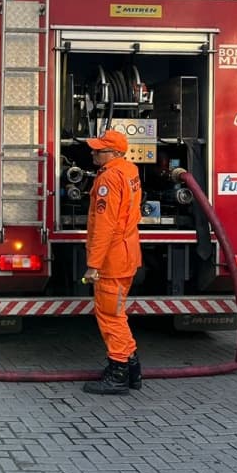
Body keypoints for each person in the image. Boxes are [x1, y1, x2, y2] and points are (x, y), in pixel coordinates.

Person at [81, 129, 144, 395]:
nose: (93, 153)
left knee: (110, 316)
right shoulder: (129, 171)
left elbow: (105, 226)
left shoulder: (110, 178)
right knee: (116, 313)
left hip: (112, 260)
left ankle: (118, 373)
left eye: (99, 150)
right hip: (126, 253)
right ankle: (131, 370)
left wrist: (94, 265)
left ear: (114, 152)